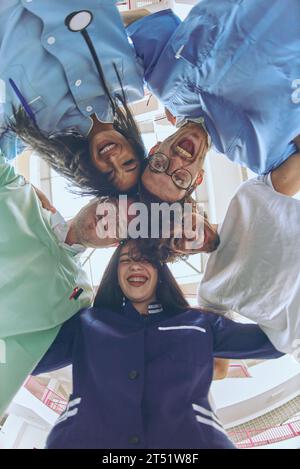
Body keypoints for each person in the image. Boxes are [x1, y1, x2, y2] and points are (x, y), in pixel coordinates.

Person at [32, 239, 282, 449]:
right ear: (115, 273)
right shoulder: (86, 323)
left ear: (161, 270)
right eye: (126, 260)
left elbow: (275, 342)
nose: (135, 265)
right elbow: (29, 361)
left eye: (146, 258)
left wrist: (235, 287)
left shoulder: (200, 322)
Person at [123, 0, 300, 202]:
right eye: (180, 178)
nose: (176, 162)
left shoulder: (162, 81)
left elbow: (140, 21)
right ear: (198, 179)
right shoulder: (258, 154)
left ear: (155, 149)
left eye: (159, 165)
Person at [0, 150, 131, 416]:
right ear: (96, 200)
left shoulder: (81, 297)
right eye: (110, 208)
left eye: (118, 226)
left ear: (114, 243)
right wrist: (27, 187)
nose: (107, 219)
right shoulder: (18, 193)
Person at [0, 0, 145, 196]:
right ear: (135, 147)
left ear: (93, 171)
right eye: (128, 163)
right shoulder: (131, 82)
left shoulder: (36, 128)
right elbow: (148, 17)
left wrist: (30, 195)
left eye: (109, 173)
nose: (113, 159)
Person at [198, 138, 300, 356]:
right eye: (171, 243)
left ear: (191, 207)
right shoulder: (209, 291)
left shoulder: (249, 194)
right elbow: (215, 357)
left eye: (177, 221)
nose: (183, 235)